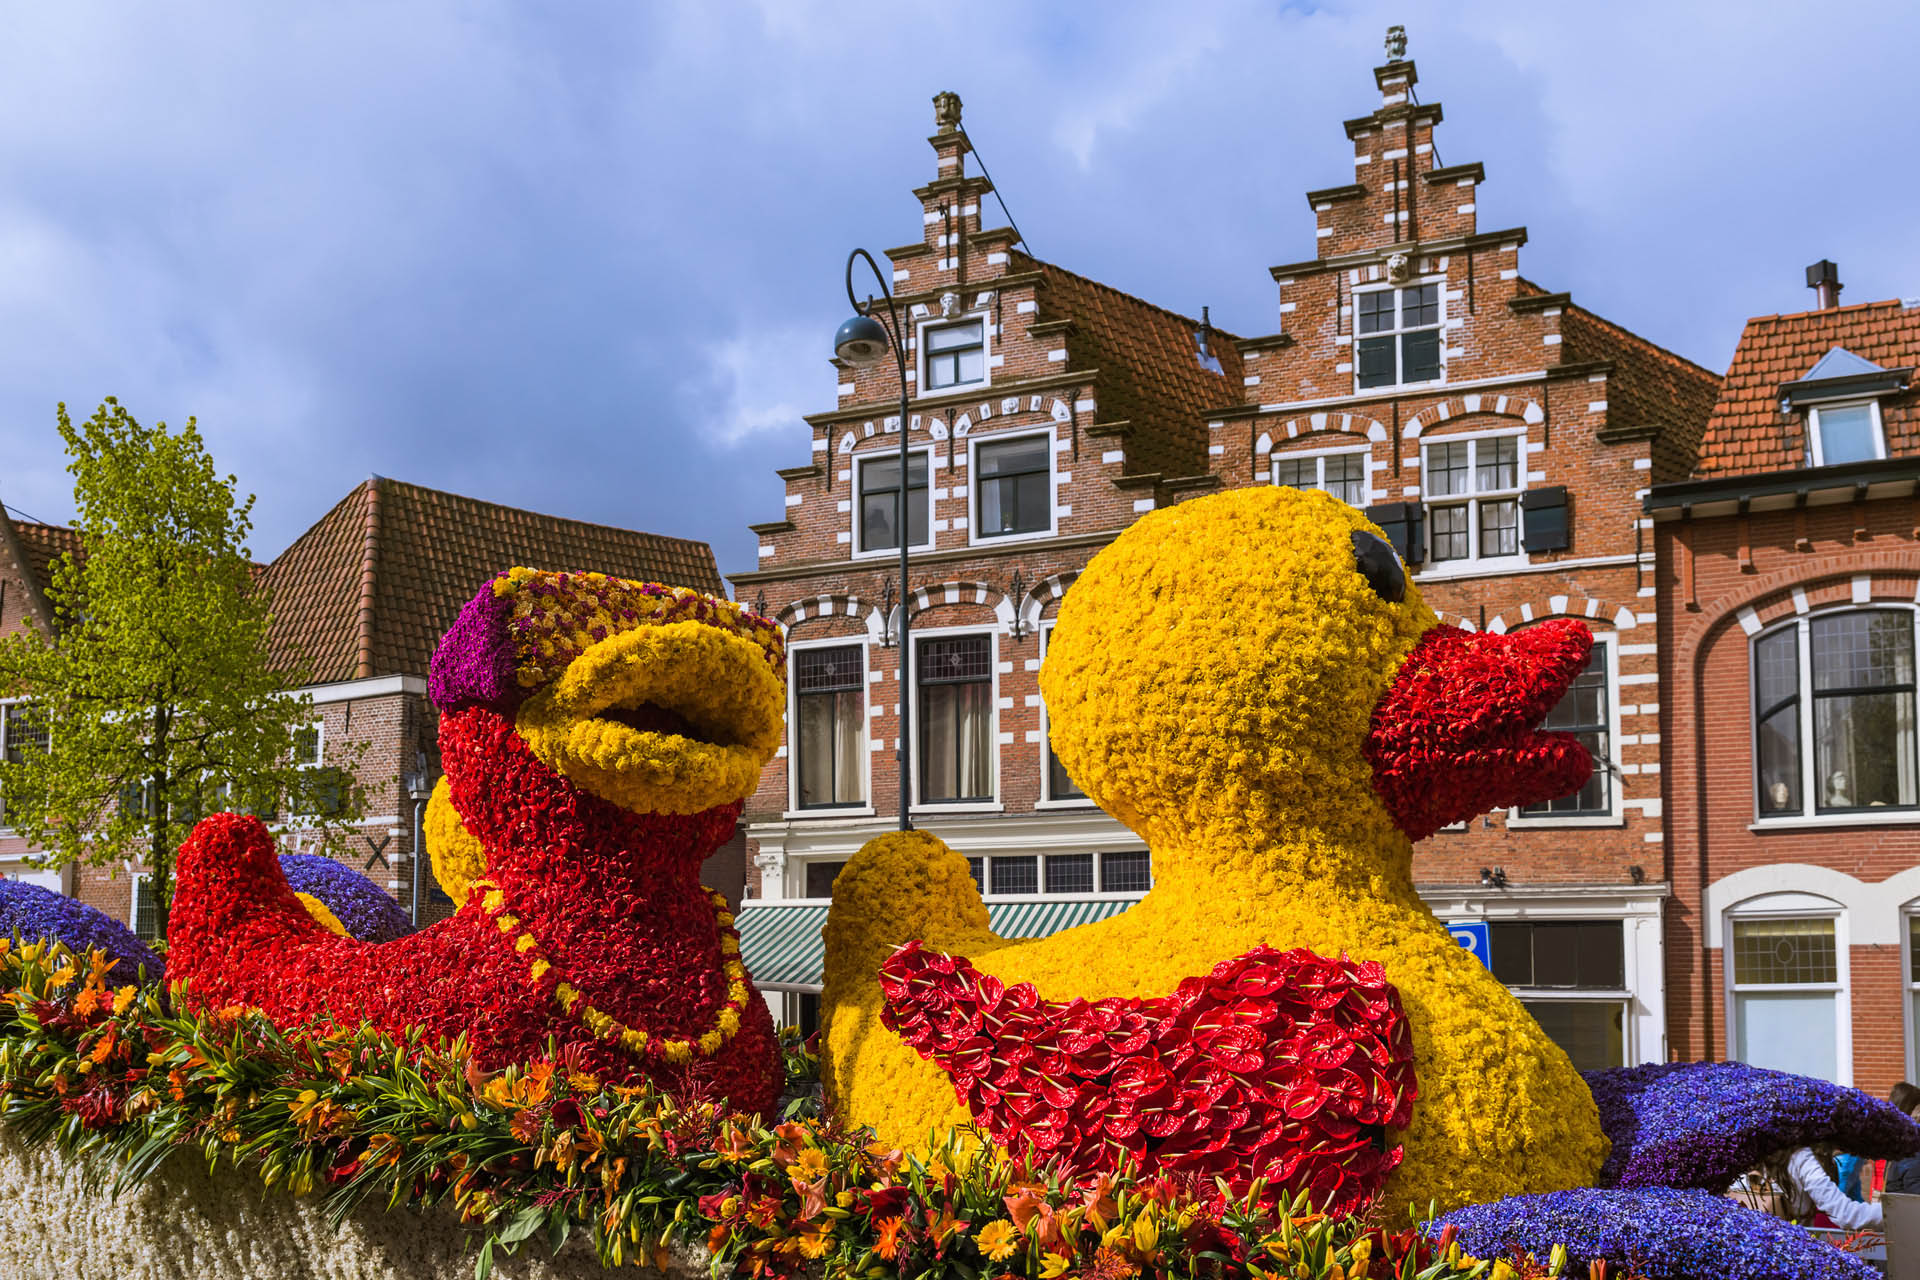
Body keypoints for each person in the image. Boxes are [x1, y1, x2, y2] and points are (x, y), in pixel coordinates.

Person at [1763, 1143, 1883, 1231]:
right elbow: (1845, 1214)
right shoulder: (1800, 1156)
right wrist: (1891, 1213)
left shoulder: (1754, 1153)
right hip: (1791, 1250)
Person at [1884, 1081, 1920, 1195]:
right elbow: (1915, 1187)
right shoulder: (1910, 1146)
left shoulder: (1892, 1139)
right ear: (1909, 1110)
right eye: (1918, 1108)